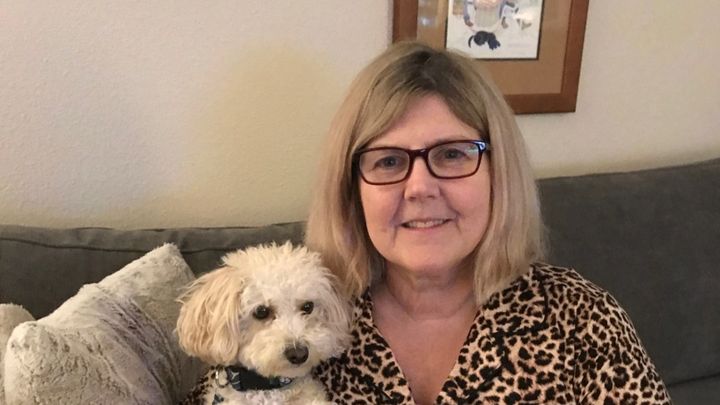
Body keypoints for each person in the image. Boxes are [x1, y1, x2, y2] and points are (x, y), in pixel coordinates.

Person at [306, 41, 671, 404]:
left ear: (499, 173)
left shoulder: (583, 321)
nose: (419, 188)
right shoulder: (305, 321)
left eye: (452, 154)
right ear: (350, 189)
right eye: (388, 161)